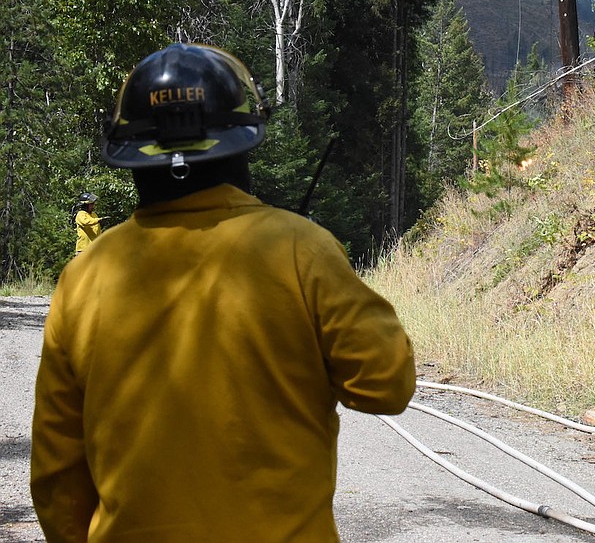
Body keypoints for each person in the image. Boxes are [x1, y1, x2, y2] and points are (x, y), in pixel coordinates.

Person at [31, 42, 416, 542]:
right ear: (241, 142)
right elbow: (385, 385)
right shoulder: (301, 250)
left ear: (130, 155)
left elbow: (56, 471)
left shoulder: (84, 278)